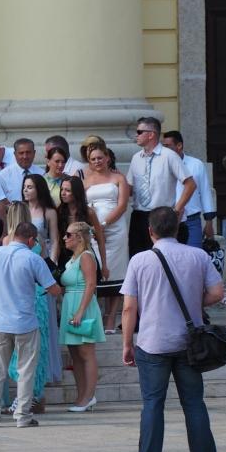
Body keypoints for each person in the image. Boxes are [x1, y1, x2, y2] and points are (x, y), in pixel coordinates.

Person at [121, 207, 223, 452]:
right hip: (189, 343)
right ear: (177, 229)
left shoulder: (140, 260)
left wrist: (127, 343)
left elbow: (129, 308)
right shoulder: (198, 256)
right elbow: (217, 292)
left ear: (150, 231)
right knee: (194, 403)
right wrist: (194, 303)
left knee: (153, 404)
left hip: (152, 342)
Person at [0, 222, 59, 428]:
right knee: (25, 372)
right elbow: (53, 288)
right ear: (31, 240)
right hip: (25, 323)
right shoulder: (33, 258)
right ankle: (22, 416)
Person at [81, 142, 131, 331]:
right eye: (93, 159)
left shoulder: (119, 178)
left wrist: (103, 224)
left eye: (100, 158)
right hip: (93, 232)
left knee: (116, 272)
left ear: (107, 158)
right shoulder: (85, 181)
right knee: (95, 271)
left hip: (115, 230)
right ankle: (96, 316)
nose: (97, 161)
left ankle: (110, 319)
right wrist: (94, 227)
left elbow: (122, 205)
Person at [127, 116, 191, 257]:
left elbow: (190, 184)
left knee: (163, 257)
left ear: (151, 134)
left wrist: (177, 210)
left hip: (161, 215)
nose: (136, 135)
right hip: (138, 215)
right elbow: (130, 188)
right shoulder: (136, 158)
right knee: (138, 256)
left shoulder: (169, 156)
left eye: (139, 132)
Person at [59, 220, 105, 412]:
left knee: (86, 353)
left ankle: (89, 396)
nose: (64, 238)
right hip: (71, 304)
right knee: (75, 354)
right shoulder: (73, 259)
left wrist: (80, 311)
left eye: (68, 235)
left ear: (79, 237)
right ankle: (81, 396)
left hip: (82, 306)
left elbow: (91, 284)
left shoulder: (86, 256)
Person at [163, 130, 216, 245]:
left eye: (167, 146)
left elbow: (205, 193)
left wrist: (209, 222)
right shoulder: (162, 165)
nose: (164, 150)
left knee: (194, 253)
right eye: (163, 146)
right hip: (168, 221)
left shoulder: (196, 165)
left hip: (191, 220)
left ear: (179, 145)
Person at [56, 177, 106, 274]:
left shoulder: (89, 212)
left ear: (76, 192)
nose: (63, 193)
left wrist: (104, 266)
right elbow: (57, 240)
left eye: (67, 190)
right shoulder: (59, 212)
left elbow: (100, 240)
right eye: (62, 189)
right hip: (65, 255)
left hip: (85, 255)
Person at [20, 173, 60, 263]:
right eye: (24, 187)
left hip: (43, 257)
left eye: (29, 187)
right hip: (22, 257)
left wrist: (52, 263)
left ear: (39, 189)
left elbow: (54, 241)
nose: (25, 190)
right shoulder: (20, 209)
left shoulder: (50, 212)